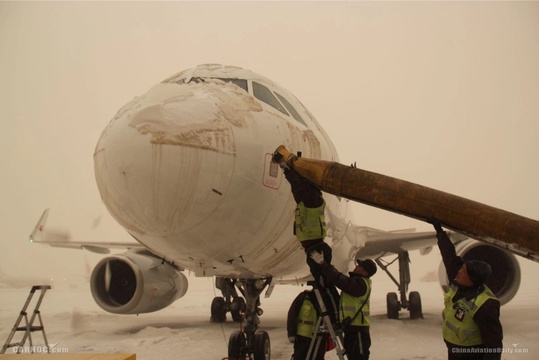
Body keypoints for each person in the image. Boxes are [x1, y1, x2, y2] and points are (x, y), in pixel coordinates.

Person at [430, 220, 503, 360]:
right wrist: (439, 231)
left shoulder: (485, 305)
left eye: (463, 271)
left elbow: (493, 344)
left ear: (472, 279)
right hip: (453, 350)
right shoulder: (457, 282)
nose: (459, 271)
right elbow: (448, 255)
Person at [310, 252, 377, 360]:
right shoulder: (358, 282)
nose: (356, 266)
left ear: (365, 273)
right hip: (352, 329)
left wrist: (323, 264)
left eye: (360, 266)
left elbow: (339, 279)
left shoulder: (360, 285)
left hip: (358, 331)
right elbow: (339, 278)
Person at [287, 290, 327, 360]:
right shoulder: (303, 297)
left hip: (319, 338)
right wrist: (291, 333)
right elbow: (292, 314)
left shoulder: (326, 298)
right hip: (302, 338)